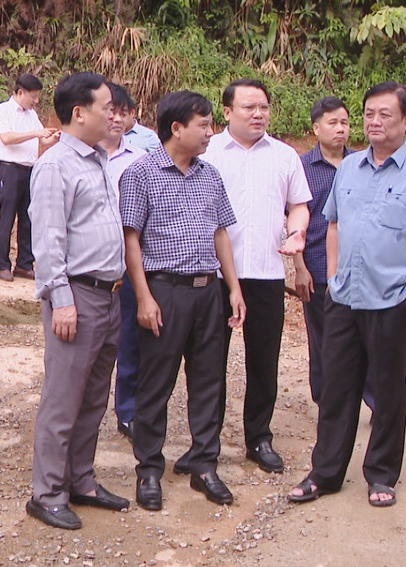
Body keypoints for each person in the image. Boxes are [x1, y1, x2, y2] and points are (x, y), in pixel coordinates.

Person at [288, 81, 406, 507]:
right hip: (344, 297)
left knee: (388, 391)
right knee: (336, 388)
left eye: (385, 114)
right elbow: (333, 224)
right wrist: (333, 276)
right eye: (369, 113)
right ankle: (325, 473)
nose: (374, 122)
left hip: (391, 300)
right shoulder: (350, 168)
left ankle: (381, 474)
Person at [120, 90, 246, 511]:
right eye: (204, 125)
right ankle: (148, 470)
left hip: (208, 291)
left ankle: (204, 465)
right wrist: (143, 297)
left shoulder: (210, 174)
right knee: (156, 383)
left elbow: (220, 233)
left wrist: (233, 288)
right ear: (176, 128)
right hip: (165, 291)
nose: (211, 133)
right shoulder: (141, 174)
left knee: (209, 381)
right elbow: (131, 240)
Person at [24, 72, 130, 530]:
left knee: (93, 397)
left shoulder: (98, 158)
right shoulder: (56, 166)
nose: (115, 115)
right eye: (107, 108)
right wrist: (61, 300)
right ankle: (47, 493)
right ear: (79, 113)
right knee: (63, 400)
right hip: (77, 296)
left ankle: (80, 480)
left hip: (109, 295)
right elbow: (48, 240)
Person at [198, 78, 311, 475]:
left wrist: (296, 232)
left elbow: (298, 204)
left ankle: (259, 437)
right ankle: (205, 441)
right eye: (249, 107)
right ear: (227, 111)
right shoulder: (208, 152)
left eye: (263, 107)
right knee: (209, 361)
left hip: (266, 274)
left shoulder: (284, 156)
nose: (258, 114)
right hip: (214, 275)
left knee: (264, 360)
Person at [294, 97, 358, 406]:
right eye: (333, 123)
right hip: (317, 267)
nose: (340, 129)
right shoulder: (302, 168)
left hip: (358, 269)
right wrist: (299, 267)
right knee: (322, 340)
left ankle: (369, 399)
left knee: (362, 338)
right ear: (316, 128)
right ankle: (326, 402)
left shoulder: (362, 164)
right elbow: (293, 220)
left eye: (344, 122)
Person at [103, 82, 147, 442]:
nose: (117, 118)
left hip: (131, 261)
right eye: (111, 111)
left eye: (124, 112)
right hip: (93, 265)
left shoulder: (141, 159)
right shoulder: (78, 155)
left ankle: (128, 410)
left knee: (131, 337)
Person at [0, 73, 59, 281]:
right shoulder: (3, 111)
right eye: (33, 96)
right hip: (9, 170)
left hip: (30, 171)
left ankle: (24, 264)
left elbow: (42, 141)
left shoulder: (32, 115)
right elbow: (7, 138)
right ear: (21, 92)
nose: (35, 101)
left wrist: (53, 138)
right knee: (7, 218)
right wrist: (36, 134)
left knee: (28, 218)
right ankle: (3, 264)